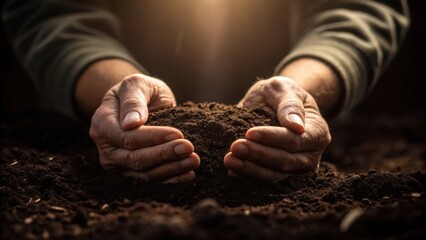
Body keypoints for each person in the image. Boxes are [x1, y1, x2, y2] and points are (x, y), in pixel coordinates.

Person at [2, 0, 410, 183]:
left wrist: (300, 91)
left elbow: (360, 7)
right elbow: (51, 10)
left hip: (303, 158)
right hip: (89, 148)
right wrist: (118, 88)